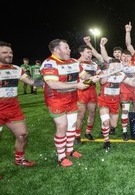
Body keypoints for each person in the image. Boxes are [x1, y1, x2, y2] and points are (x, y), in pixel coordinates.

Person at [40, 39, 98, 167]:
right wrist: (77, 84)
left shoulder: (73, 62)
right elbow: (52, 83)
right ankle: (61, 157)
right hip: (56, 99)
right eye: (66, 48)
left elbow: (84, 75)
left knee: (72, 125)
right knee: (62, 126)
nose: (70, 50)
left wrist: (95, 77)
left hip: (72, 99)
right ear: (57, 50)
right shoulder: (49, 63)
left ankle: (70, 150)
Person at [0, 41, 40, 179]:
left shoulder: (17, 69)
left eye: (10, 52)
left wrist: (49, 81)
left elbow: (32, 82)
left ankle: (19, 160)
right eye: (5, 52)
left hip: (13, 109)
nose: (9, 55)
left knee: (23, 135)